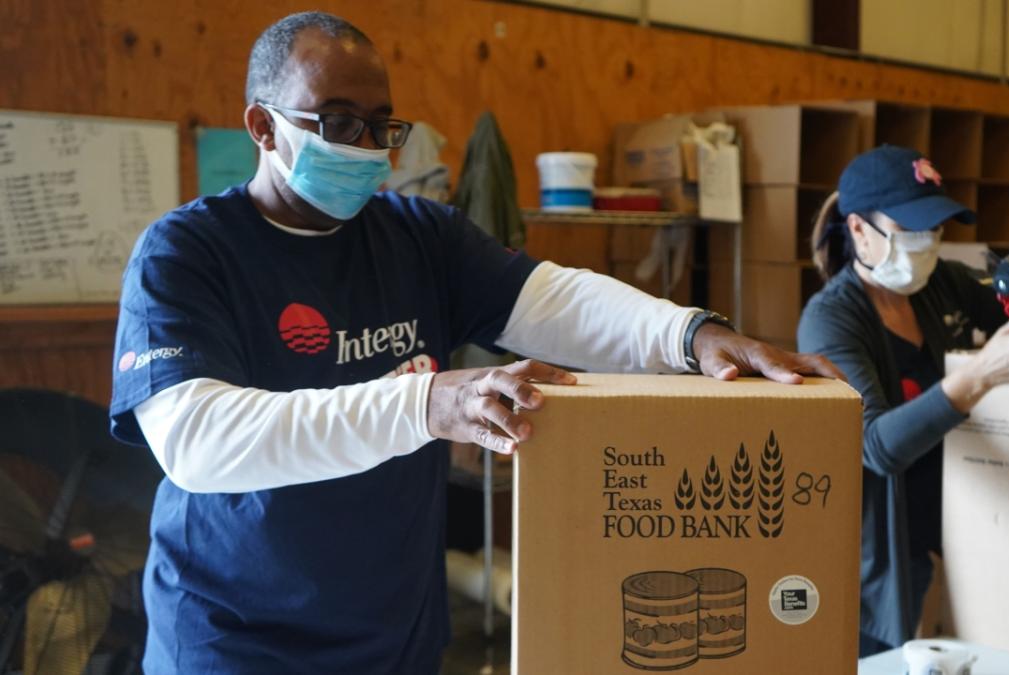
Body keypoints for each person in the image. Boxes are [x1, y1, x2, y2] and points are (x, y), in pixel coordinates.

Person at [108, 11, 840, 674]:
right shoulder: (187, 253)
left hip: (393, 634)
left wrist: (692, 334)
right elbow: (196, 442)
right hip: (237, 638)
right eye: (337, 123)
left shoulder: (417, 237)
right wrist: (426, 402)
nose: (366, 147)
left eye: (380, 124)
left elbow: (555, 299)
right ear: (263, 127)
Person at [797, 145, 1009, 657]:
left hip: (966, 523)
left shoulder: (943, 285)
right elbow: (874, 445)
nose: (927, 245)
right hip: (883, 548)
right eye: (910, 230)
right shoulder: (831, 320)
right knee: (881, 659)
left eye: (935, 230)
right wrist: (978, 377)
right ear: (859, 231)